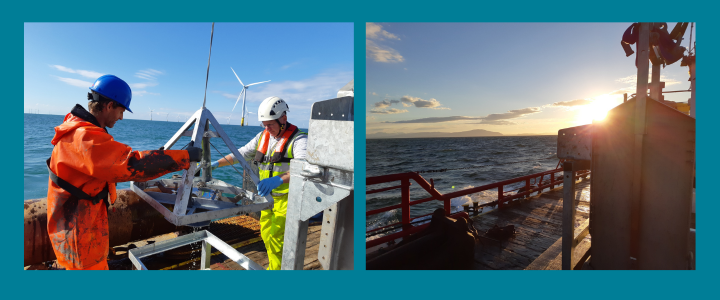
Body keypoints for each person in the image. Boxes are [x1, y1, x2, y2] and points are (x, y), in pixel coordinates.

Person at [46, 75, 202, 270]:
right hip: (79, 238)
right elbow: (132, 165)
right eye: (121, 111)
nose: (121, 117)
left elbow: (112, 163)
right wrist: (184, 157)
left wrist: (160, 155)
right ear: (109, 105)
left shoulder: (81, 131)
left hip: (82, 228)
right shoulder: (84, 137)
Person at [214, 96, 307, 270]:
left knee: (278, 239)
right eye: (263, 124)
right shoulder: (262, 136)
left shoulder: (299, 140)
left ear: (283, 119)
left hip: (288, 200)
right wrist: (217, 164)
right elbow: (240, 154)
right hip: (267, 199)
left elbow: (304, 167)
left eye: (270, 124)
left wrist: (279, 179)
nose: (267, 128)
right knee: (266, 235)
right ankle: (275, 267)